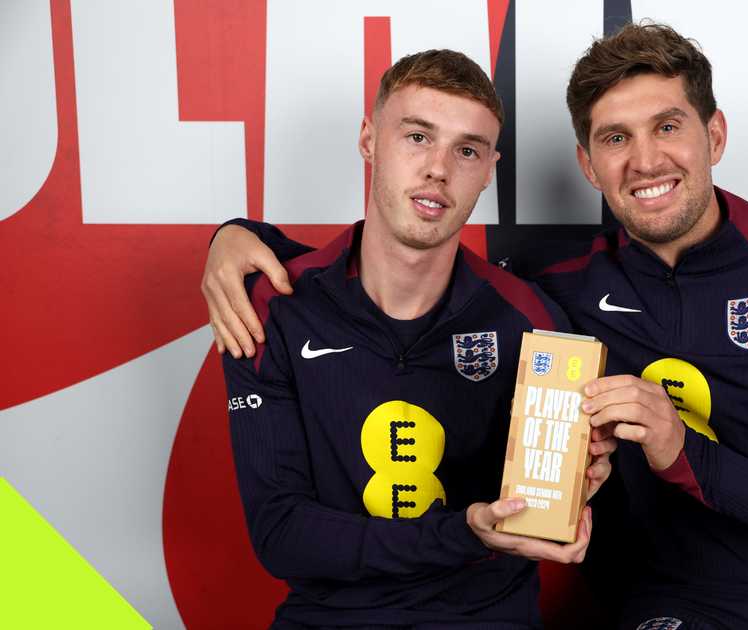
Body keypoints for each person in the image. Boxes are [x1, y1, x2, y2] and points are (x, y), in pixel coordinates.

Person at [206, 24, 748, 630]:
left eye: (668, 126)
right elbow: (395, 264)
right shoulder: (559, 287)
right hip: (671, 606)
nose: (645, 161)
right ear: (587, 163)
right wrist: (237, 237)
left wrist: (680, 454)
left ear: (715, 134)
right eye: (615, 138)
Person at [213, 49, 613, 629]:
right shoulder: (272, 309)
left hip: (484, 619)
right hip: (330, 619)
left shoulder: (533, 322)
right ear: (369, 139)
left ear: (489, 169)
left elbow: (547, 498)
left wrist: (581, 481)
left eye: (467, 150)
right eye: (418, 137)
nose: (439, 169)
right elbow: (281, 534)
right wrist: (462, 533)